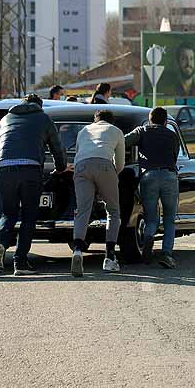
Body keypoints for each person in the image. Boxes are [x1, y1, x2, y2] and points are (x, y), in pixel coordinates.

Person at [0, 94, 68, 276]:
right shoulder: (43, 118)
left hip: (4, 168)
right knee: (29, 215)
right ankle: (20, 262)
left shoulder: (5, 119)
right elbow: (56, 147)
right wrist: (61, 168)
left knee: (8, 213)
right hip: (30, 169)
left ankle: (1, 244)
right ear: (39, 106)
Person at [71, 109, 125, 276]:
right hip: (104, 164)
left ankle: (78, 250)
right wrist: (110, 178)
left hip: (81, 167)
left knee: (82, 210)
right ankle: (109, 256)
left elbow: (78, 154)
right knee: (113, 211)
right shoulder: (116, 131)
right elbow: (120, 162)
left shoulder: (83, 131)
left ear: (95, 120)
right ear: (111, 120)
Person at [125, 106, 180, 269]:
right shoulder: (172, 135)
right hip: (169, 176)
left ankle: (149, 236)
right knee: (170, 218)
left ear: (150, 119)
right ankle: (166, 254)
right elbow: (174, 156)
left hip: (148, 176)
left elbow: (124, 141)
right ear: (165, 121)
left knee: (151, 217)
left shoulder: (142, 131)